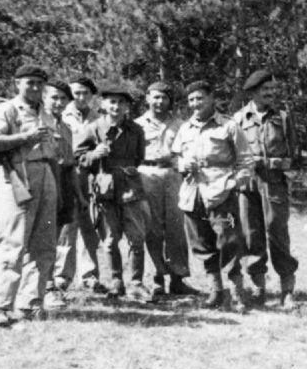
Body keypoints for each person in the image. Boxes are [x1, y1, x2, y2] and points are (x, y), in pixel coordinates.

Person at [0, 65, 60, 327]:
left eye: (40, 83)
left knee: (44, 244)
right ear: (17, 84)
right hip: (18, 176)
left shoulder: (47, 113)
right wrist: (25, 136)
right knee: (13, 244)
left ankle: (31, 303)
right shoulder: (7, 110)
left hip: (46, 175)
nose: (35, 88)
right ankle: (0, 308)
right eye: (30, 83)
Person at [171, 81, 253, 311]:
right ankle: (216, 291)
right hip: (192, 193)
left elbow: (246, 161)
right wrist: (182, 164)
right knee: (201, 243)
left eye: (200, 98)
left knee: (228, 240)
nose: (195, 104)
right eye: (191, 100)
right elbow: (175, 158)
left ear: (211, 99)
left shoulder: (228, 126)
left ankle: (237, 292)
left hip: (220, 193)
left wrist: (232, 183)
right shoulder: (185, 128)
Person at [76, 86, 152, 300]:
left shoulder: (136, 130)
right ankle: (116, 281)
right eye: (111, 102)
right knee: (110, 239)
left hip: (130, 188)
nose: (116, 106)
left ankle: (136, 283)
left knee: (136, 238)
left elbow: (139, 157)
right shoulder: (93, 128)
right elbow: (79, 159)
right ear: (102, 105)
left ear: (127, 106)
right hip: (105, 189)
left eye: (121, 102)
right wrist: (93, 154)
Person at [232, 70, 299, 309]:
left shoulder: (282, 117)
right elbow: (233, 153)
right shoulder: (239, 118)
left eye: (272, 90)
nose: (271, 94)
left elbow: (294, 154)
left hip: (274, 182)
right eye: (265, 90)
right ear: (252, 92)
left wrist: (273, 164)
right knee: (251, 234)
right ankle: (259, 287)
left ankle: (287, 290)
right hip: (247, 184)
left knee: (277, 232)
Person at [134, 81, 199, 296]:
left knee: (176, 227)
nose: (159, 101)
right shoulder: (137, 124)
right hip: (146, 174)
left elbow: (190, 152)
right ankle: (157, 277)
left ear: (170, 100)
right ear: (147, 98)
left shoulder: (181, 124)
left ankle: (178, 278)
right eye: (155, 97)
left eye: (164, 97)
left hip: (173, 176)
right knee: (152, 228)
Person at [51, 77, 107, 294]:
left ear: (92, 96)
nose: (80, 97)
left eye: (85, 93)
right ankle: (62, 276)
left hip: (91, 178)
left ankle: (90, 275)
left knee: (90, 227)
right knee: (67, 227)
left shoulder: (99, 119)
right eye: (76, 93)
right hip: (66, 174)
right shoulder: (62, 116)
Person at [42, 80, 89, 309]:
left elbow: (70, 165)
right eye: (54, 97)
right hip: (44, 182)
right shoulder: (39, 123)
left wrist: (79, 196)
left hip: (64, 185)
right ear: (44, 97)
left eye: (63, 98)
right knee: (43, 238)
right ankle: (45, 287)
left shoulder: (65, 128)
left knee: (58, 237)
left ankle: (51, 286)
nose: (59, 102)